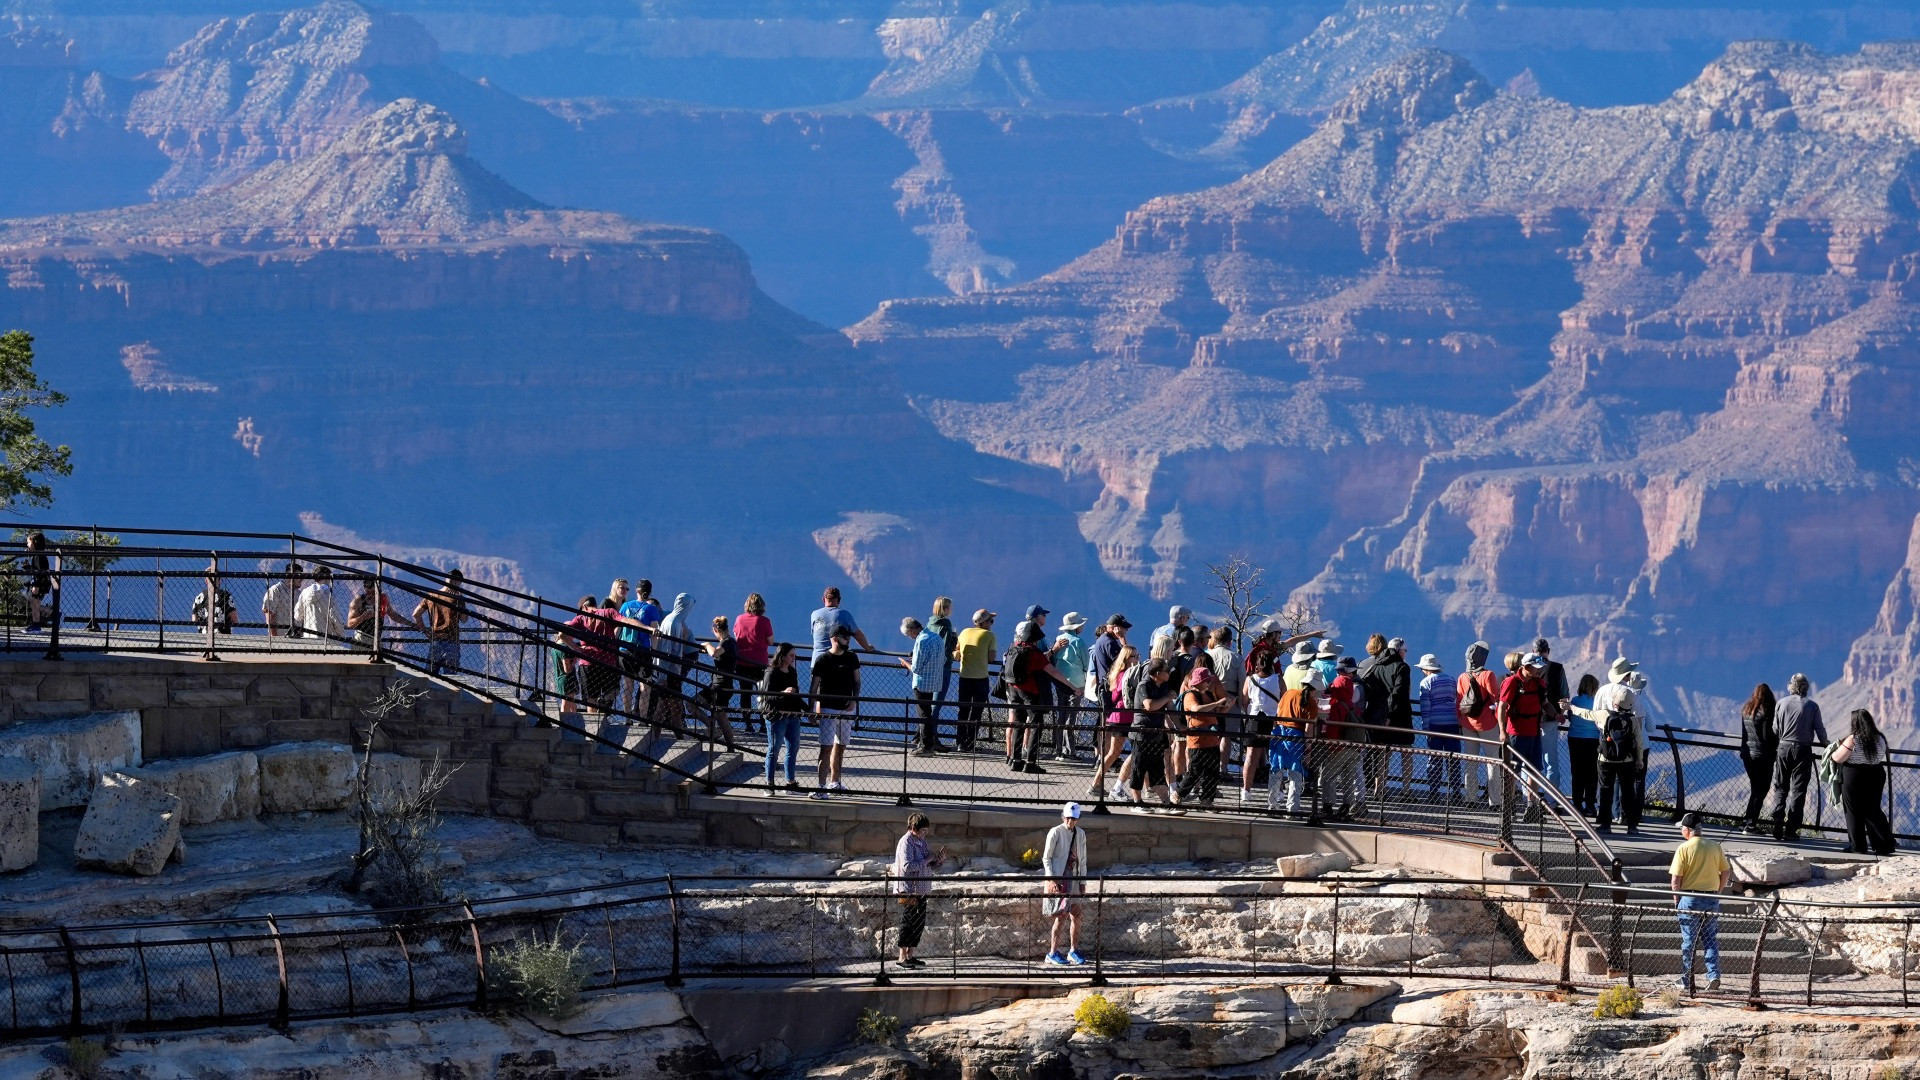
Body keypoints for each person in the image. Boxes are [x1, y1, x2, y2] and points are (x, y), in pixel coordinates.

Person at [1573, 657, 1644, 835]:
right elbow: (1639, 739)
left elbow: (1588, 714)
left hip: (1605, 755)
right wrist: (1639, 759)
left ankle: (1605, 824)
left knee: (1605, 789)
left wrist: (1570, 707)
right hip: (1626, 758)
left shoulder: (1604, 703)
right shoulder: (1633, 716)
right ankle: (1632, 825)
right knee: (1628, 791)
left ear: (1614, 703)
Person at [1004, 620, 1079, 774]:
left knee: (1018, 724)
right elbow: (1053, 672)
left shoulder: (1014, 648)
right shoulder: (1034, 654)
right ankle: (1030, 762)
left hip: (1013, 690)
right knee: (1036, 726)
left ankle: (1016, 761)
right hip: (1030, 692)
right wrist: (1072, 687)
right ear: (1036, 638)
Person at [1669, 811, 1731, 994]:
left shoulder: (1684, 848)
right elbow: (1726, 872)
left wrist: (1676, 899)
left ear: (1688, 830)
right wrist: (1718, 892)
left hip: (1689, 899)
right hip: (1711, 898)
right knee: (1710, 938)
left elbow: (1675, 879)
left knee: (1689, 940)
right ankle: (1713, 975)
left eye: (1681, 828)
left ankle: (1686, 977)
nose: (1681, 831)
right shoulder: (1714, 846)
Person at [1768, 673, 1827, 841]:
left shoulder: (1781, 703)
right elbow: (1819, 729)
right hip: (1803, 750)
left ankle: (1777, 819)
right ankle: (1791, 829)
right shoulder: (1812, 706)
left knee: (1780, 786)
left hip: (1784, 748)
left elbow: (1775, 729)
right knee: (1799, 790)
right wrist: (1825, 744)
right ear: (1806, 687)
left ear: (1791, 687)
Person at [1831, 708, 1897, 857]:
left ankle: (1858, 846)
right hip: (1876, 774)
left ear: (1855, 722)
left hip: (1855, 776)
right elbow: (1881, 755)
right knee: (1873, 809)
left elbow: (1837, 758)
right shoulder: (1880, 738)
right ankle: (1885, 844)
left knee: (1853, 811)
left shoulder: (1853, 739)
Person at [808, 625, 862, 798]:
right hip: (827, 708)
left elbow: (857, 682)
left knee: (841, 746)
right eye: (845, 637)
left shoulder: (852, 657)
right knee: (826, 748)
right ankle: (821, 787)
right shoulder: (823, 659)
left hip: (846, 709)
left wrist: (853, 700)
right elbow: (814, 687)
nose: (848, 640)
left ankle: (835, 782)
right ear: (835, 638)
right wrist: (813, 708)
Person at [891, 812, 947, 968]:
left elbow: (929, 866)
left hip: (922, 888)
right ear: (913, 828)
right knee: (907, 922)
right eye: (923, 830)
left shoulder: (922, 842)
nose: (925, 833)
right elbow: (907, 867)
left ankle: (911, 955)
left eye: (926, 831)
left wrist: (938, 862)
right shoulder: (906, 842)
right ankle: (902, 957)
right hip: (908, 888)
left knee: (918, 923)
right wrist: (927, 859)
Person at [1126, 658, 1179, 813]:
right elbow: (1150, 706)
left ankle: (1165, 803)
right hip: (1142, 733)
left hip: (1156, 733)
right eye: (1166, 670)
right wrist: (1168, 697)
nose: (1168, 673)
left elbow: (1170, 709)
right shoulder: (1144, 685)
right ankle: (1136, 802)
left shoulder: (1164, 686)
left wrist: (1179, 726)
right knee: (1139, 767)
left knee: (1157, 768)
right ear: (1157, 673)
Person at [1176, 659, 1230, 807]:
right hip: (1198, 740)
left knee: (1212, 772)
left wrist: (1226, 705)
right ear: (1200, 681)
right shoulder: (1190, 695)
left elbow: (1218, 712)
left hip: (1212, 740)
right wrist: (1218, 703)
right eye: (1207, 681)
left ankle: (1207, 799)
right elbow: (1195, 709)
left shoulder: (1209, 695)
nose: (1209, 684)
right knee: (1195, 771)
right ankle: (1179, 794)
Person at [1041, 802, 1089, 965]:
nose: (1071, 822)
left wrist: (1083, 881)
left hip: (1074, 879)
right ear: (1064, 817)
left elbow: (1083, 860)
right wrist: (1051, 879)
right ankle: (1052, 952)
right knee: (1060, 917)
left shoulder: (1080, 834)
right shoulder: (1055, 832)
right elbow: (1046, 858)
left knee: (1076, 914)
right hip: (1060, 880)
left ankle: (1073, 950)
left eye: (1074, 819)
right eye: (1068, 818)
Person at [1500, 653, 1550, 810]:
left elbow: (1545, 703)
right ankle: (1509, 805)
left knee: (1534, 770)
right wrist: (1502, 731)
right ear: (1526, 667)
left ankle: (1531, 805)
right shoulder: (1512, 682)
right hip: (1516, 734)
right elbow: (1502, 707)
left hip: (1534, 733)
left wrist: (1556, 714)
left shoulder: (1539, 683)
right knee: (1511, 771)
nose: (1539, 671)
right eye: (1536, 668)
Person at [1456, 641, 1504, 805]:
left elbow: (1459, 702)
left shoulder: (1462, 677)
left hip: (1468, 725)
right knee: (1493, 763)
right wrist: (1499, 721)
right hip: (1488, 726)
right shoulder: (1488, 675)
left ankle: (1470, 798)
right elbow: (1496, 700)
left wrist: (1462, 722)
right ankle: (1495, 801)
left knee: (1470, 763)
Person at [1317, 656, 1364, 822]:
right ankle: (1346, 807)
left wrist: (1331, 747)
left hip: (1339, 747)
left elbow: (1333, 729)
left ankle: (1328, 806)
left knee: (1327, 776)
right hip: (1354, 747)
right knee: (1348, 776)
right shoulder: (1352, 706)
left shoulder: (1336, 707)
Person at [559, 595, 622, 714]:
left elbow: (562, 634)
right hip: (608, 660)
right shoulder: (606, 614)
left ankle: (592, 727)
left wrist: (577, 649)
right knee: (613, 690)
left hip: (587, 662)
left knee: (591, 698)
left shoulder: (581, 619)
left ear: (583, 607)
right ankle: (603, 704)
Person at [1095, 643, 1139, 800]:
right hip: (1121, 717)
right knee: (1115, 753)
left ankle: (1096, 783)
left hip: (1122, 717)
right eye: (1135, 656)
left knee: (1124, 752)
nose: (1138, 659)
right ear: (1127, 659)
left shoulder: (1120, 673)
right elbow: (1116, 696)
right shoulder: (1124, 675)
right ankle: (1095, 783)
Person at [1415, 654, 1462, 802]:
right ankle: (1456, 793)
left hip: (1435, 725)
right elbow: (1456, 700)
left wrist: (1426, 727)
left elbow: (1425, 707)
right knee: (1453, 759)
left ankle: (1434, 793)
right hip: (1453, 723)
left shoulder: (1426, 682)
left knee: (1434, 760)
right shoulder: (1451, 679)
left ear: (1425, 669)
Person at [759, 643, 805, 794]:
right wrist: (783, 693)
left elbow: (796, 694)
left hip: (792, 715)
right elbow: (766, 696)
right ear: (783, 656)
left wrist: (807, 709)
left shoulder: (792, 672)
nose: (793, 658)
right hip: (776, 716)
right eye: (791, 655)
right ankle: (769, 784)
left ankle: (790, 783)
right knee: (774, 749)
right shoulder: (771, 672)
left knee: (793, 748)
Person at [1269, 681, 1317, 818]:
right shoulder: (1311, 703)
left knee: (1275, 770)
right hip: (1296, 737)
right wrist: (1308, 752)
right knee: (1295, 775)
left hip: (1279, 733)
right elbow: (1308, 730)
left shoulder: (1289, 693)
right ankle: (1292, 809)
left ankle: (1272, 806)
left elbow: (1277, 713)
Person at [901, 616, 948, 754]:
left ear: (912, 630)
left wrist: (906, 663)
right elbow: (943, 658)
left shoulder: (921, 641)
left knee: (923, 714)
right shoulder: (936, 637)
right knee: (928, 712)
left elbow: (916, 668)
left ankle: (925, 746)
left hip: (922, 682)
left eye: (908, 634)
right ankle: (929, 742)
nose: (909, 637)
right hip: (935, 680)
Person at [1242, 651, 1283, 804]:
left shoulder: (1250, 679)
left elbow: (1244, 699)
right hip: (1273, 719)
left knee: (1251, 756)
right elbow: (1283, 699)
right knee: (1274, 756)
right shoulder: (1278, 679)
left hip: (1254, 718)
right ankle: (1276, 791)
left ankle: (1246, 790)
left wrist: (1248, 713)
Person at [617, 579, 663, 717]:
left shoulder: (625, 606)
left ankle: (627, 717)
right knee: (645, 686)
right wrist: (654, 652)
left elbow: (618, 627)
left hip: (625, 649)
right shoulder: (651, 609)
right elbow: (654, 633)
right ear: (649, 593)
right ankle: (643, 718)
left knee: (627, 685)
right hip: (643, 649)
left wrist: (614, 644)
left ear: (637, 591)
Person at [953, 609, 997, 752]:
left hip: (964, 677)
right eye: (990, 621)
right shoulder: (989, 635)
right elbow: (991, 658)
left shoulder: (965, 632)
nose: (991, 623)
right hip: (980, 679)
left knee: (963, 711)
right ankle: (970, 744)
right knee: (976, 713)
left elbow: (956, 651)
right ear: (984, 623)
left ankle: (960, 742)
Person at [1050, 613, 1092, 760]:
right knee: (1071, 716)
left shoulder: (1058, 640)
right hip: (1077, 684)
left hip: (1060, 682)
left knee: (1061, 715)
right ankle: (1071, 751)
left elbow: (1054, 659)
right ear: (1077, 627)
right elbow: (1087, 664)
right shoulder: (1079, 642)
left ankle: (1058, 750)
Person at [1737, 683, 1777, 835]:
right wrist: (1777, 742)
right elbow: (1767, 737)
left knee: (1755, 789)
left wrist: (1743, 750)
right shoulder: (1766, 711)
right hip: (1763, 757)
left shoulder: (1747, 710)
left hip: (1748, 755)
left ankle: (1747, 821)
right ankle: (1751, 824)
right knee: (1762, 789)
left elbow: (1744, 734)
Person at [412, 568, 469, 676]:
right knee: (451, 676)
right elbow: (464, 619)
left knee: (430, 675)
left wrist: (425, 631)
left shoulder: (431, 595)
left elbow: (416, 614)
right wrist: (461, 600)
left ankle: (427, 692)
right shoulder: (457, 598)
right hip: (452, 640)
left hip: (436, 639)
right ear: (458, 582)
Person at [1534, 638, 1572, 796]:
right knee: (1550, 761)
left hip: (1528, 720)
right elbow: (1564, 694)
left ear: (1533, 651)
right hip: (1550, 720)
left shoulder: (1527, 668)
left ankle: (1530, 799)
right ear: (1548, 651)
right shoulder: (1557, 668)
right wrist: (1559, 715)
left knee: (1529, 760)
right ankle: (1551, 799)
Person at [731, 594, 773, 733]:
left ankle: (748, 724)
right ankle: (763, 725)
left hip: (742, 662)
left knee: (745, 694)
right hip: (760, 664)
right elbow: (770, 641)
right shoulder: (765, 621)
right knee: (762, 695)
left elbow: (736, 636)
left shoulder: (739, 619)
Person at [1565, 673, 1602, 817]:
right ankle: (1591, 805)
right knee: (1592, 772)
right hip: (1592, 739)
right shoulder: (1596, 703)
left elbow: (1570, 717)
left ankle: (1577, 804)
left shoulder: (1574, 700)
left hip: (1575, 738)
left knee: (1577, 772)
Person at [700, 615, 740, 744]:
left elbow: (714, 653)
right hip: (722, 684)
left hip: (720, 685)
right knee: (721, 716)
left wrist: (707, 645)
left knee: (694, 704)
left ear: (715, 630)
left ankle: (712, 728)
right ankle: (730, 745)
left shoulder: (727, 642)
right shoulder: (730, 642)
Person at [810, 587, 872, 657]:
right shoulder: (845, 615)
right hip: (836, 663)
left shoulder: (814, 614)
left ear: (823, 599)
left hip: (817, 662)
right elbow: (858, 635)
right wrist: (868, 648)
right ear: (839, 600)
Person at [928, 595, 958, 729]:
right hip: (943, 667)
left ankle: (922, 735)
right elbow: (946, 647)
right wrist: (954, 638)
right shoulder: (946, 623)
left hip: (929, 666)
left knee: (926, 703)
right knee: (936, 703)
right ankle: (931, 737)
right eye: (950, 607)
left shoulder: (930, 623)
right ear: (945, 609)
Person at [344, 576, 397, 649]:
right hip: (361, 638)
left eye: (374, 592)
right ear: (365, 589)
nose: (371, 595)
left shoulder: (383, 599)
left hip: (377, 639)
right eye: (368, 592)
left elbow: (393, 615)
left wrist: (411, 624)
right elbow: (349, 624)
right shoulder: (358, 601)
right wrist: (363, 617)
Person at [294, 565, 344, 641]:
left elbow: (298, 616)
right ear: (327, 578)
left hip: (308, 636)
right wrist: (341, 633)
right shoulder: (329, 594)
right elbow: (335, 617)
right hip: (326, 637)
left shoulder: (305, 592)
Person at [19, 530, 52, 633]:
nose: (27, 544)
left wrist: (36, 585)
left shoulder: (38, 556)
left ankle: (37, 625)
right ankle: (37, 623)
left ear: (34, 543)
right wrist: (29, 567)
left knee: (35, 604)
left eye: (28, 542)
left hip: (39, 584)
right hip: (40, 583)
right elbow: (37, 570)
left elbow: (40, 572)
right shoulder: (38, 555)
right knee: (35, 604)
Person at [191, 566, 237, 635]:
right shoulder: (225, 595)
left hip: (205, 635)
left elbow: (194, 619)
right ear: (219, 580)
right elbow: (234, 619)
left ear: (206, 581)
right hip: (223, 634)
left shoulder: (199, 598)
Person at [262, 562, 304, 637]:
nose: (301, 579)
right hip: (281, 637)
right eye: (299, 576)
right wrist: (274, 638)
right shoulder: (276, 590)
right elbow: (269, 615)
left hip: (298, 638)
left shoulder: (299, 594)